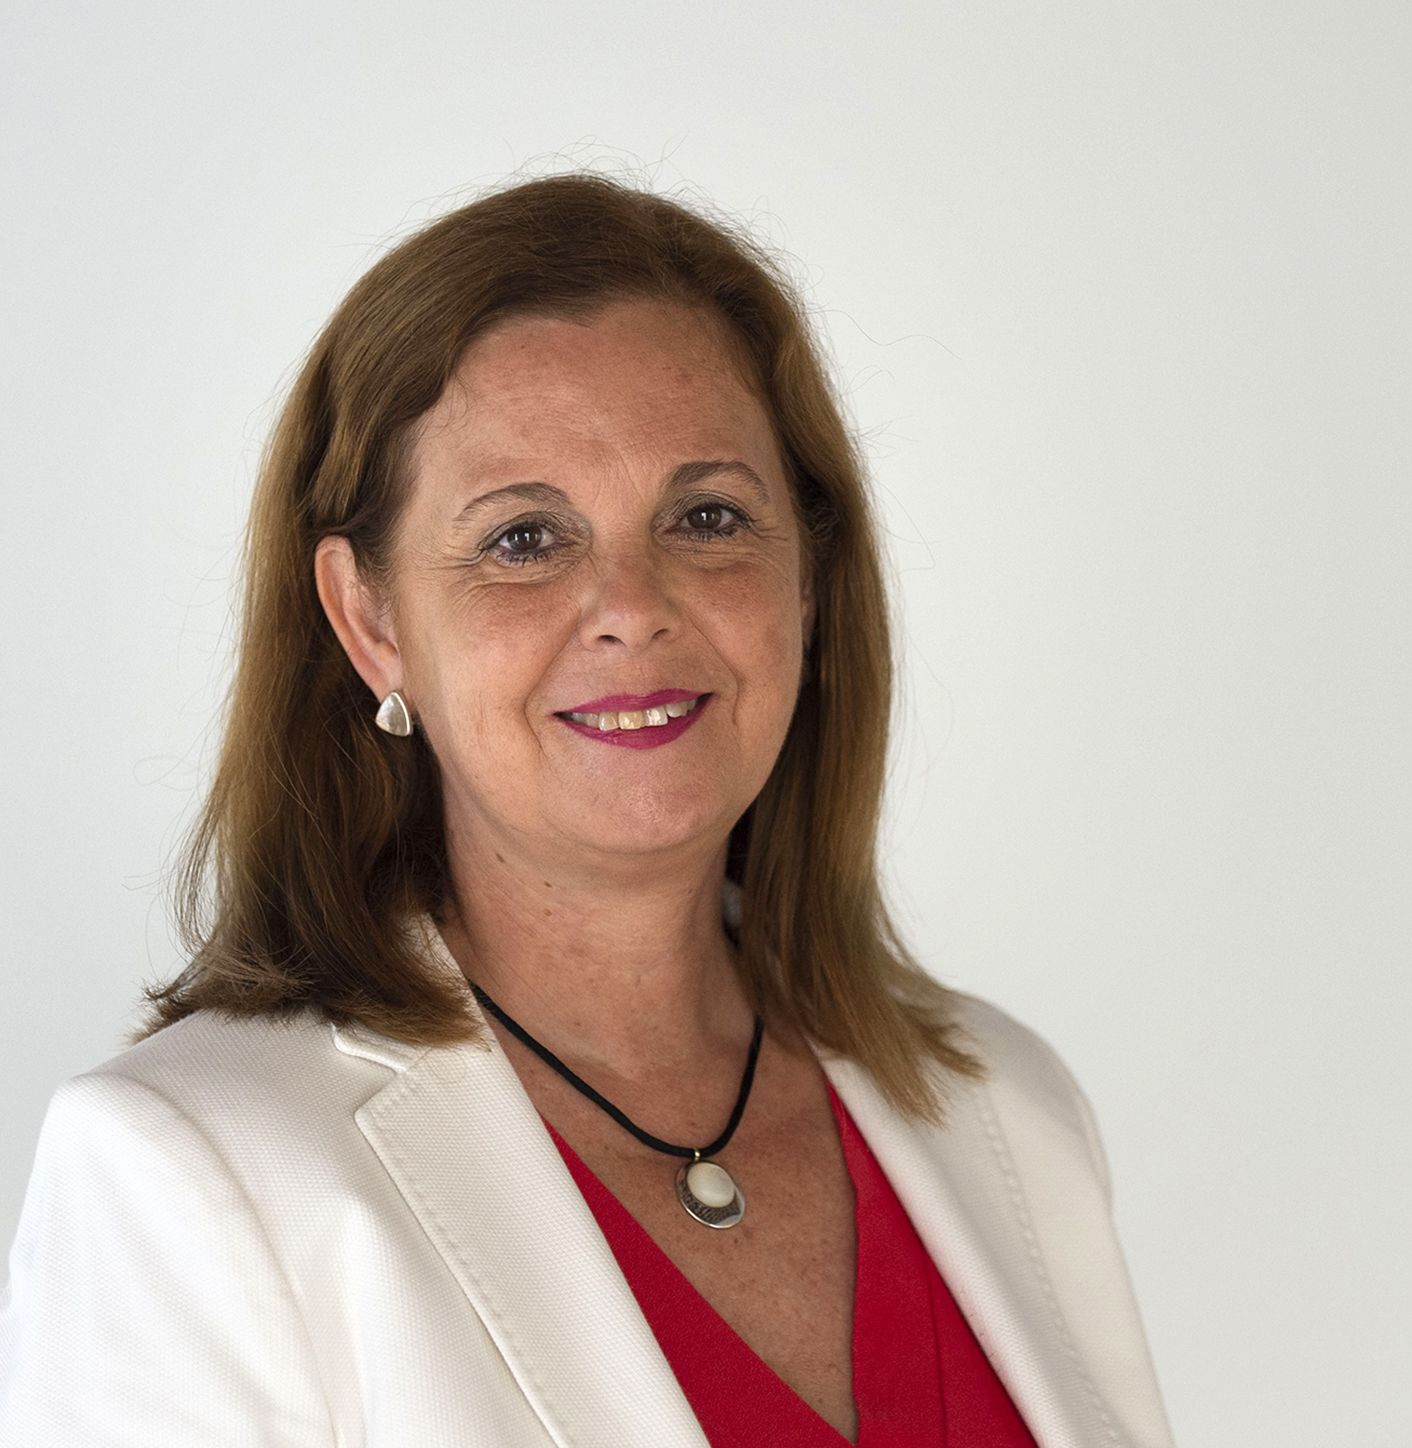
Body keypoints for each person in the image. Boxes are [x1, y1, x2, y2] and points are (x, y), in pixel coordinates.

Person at [0, 173, 1175, 1447]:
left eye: (707, 516)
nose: (632, 607)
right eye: (523, 538)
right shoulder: (189, 1169)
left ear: (807, 580)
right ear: (371, 621)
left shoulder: (1006, 1105)